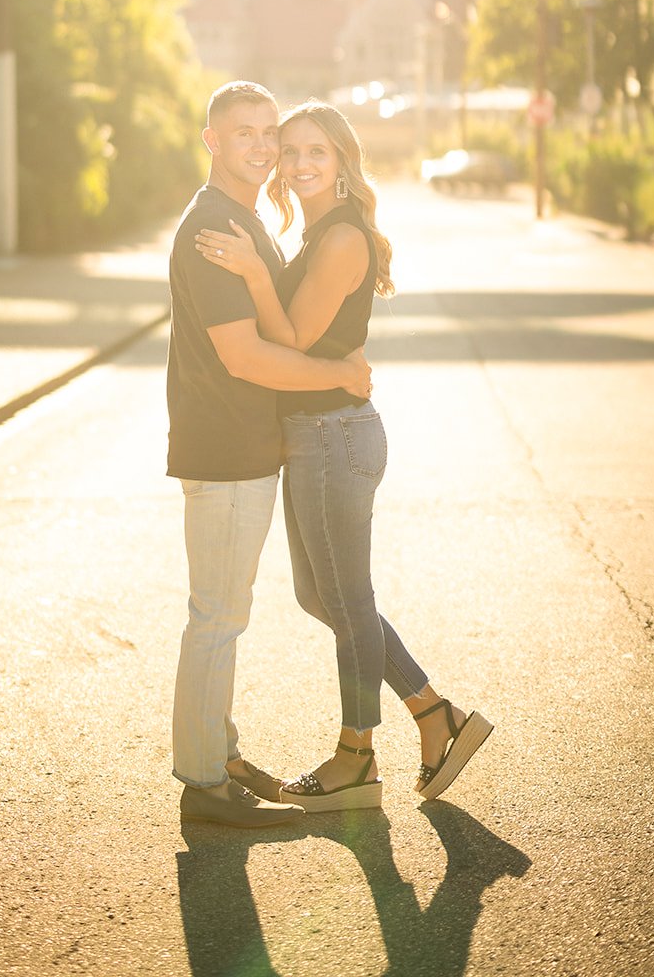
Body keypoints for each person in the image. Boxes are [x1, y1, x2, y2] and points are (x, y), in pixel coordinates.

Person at [195, 99, 493, 810]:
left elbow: (292, 339)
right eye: (290, 150)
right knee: (321, 596)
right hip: (317, 433)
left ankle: (356, 754)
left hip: (334, 434)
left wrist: (255, 274)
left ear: (341, 163)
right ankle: (435, 715)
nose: (299, 163)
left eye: (316, 152)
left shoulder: (340, 239)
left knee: (348, 601)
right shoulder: (317, 233)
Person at [168, 81, 373, 828]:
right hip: (225, 450)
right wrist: (341, 376)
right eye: (244, 134)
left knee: (227, 613)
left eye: (268, 134)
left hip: (247, 448)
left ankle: (217, 755)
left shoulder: (244, 221)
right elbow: (246, 356)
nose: (261, 148)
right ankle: (204, 784)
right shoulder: (213, 228)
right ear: (212, 141)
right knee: (217, 618)